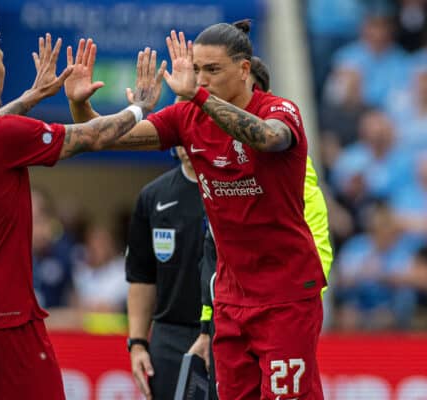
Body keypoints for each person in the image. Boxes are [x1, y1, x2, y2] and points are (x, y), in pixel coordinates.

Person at [65, 21, 327, 399]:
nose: (201, 80)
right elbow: (103, 138)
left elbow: (270, 138)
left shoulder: (280, 110)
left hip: (285, 295)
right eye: (198, 69)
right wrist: (80, 104)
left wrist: (199, 97)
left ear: (243, 69)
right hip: (231, 298)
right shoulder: (187, 118)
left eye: (213, 70)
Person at [0, 17, 166, 399]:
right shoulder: (0, 138)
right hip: (4, 320)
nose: (3, 67)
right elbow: (93, 137)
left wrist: (30, 98)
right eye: (0, 60)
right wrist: (141, 108)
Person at [187, 56, 334, 400]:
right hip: (232, 307)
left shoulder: (292, 168)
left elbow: (317, 237)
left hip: (285, 304)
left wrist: (300, 306)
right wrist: (209, 319)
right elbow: (215, 251)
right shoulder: (216, 166)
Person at [125, 144, 205, 399]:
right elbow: (141, 277)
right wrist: (137, 344)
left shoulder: (235, 189)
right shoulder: (153, 196)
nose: (189, 144)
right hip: (170, 336)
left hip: (223, 332)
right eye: (181, 136)